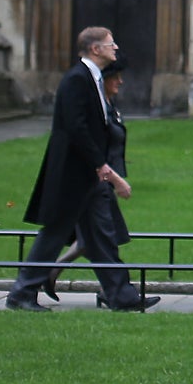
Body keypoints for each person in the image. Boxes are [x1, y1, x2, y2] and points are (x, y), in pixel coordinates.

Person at [5, 26, 158, 313]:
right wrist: (104, 168)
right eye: (111, 44)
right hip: (73, 175)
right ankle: (22, 292)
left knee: (102, 236)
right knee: (54, 234)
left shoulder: (93, 78)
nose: (116, 49)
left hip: (88, 176)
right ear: (95, 49)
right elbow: (77, 129)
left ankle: (120, 295)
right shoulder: (77, 79)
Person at [44, 58, 135, 307]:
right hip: (97, 179)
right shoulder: (97, 108)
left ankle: (50, 274)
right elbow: (87, 142)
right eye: (115, 77)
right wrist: (114, 178)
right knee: (102, 236)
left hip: (103, 178)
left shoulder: (108, 105)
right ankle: (116, 292)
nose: (120, 82)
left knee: (96, 238)